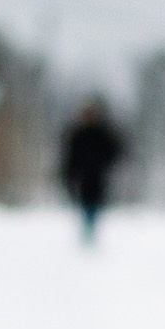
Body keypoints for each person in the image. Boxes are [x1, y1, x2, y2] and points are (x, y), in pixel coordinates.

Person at [59, 102, 125, 244]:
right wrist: (69, 175)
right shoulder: (77, 135)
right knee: (85, 203)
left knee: (96, 203)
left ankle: (91, 229)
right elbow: (71, 157)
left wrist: (104, 164)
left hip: (98, 175)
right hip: (83, 177)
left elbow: (115, 152)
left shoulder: (102, 134)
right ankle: (88, 230)